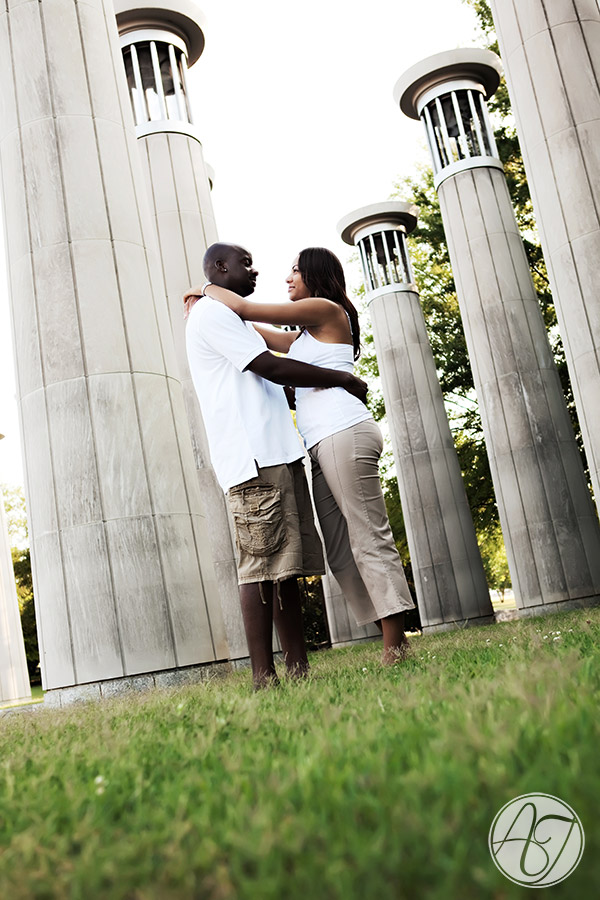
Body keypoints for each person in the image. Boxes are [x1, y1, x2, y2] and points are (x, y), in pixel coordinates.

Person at [185, 247, 415, 664]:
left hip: (344, 433)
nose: (287, 277)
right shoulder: (303, 337)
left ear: (314, 274)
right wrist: (206, 304)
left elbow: (242, 306)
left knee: (368, 537)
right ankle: (388, 628)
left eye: (294, 270)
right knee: (341, 549)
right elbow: (250, 330)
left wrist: (205, 288)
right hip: (320, 443)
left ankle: (396, 644)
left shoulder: (324, 309)